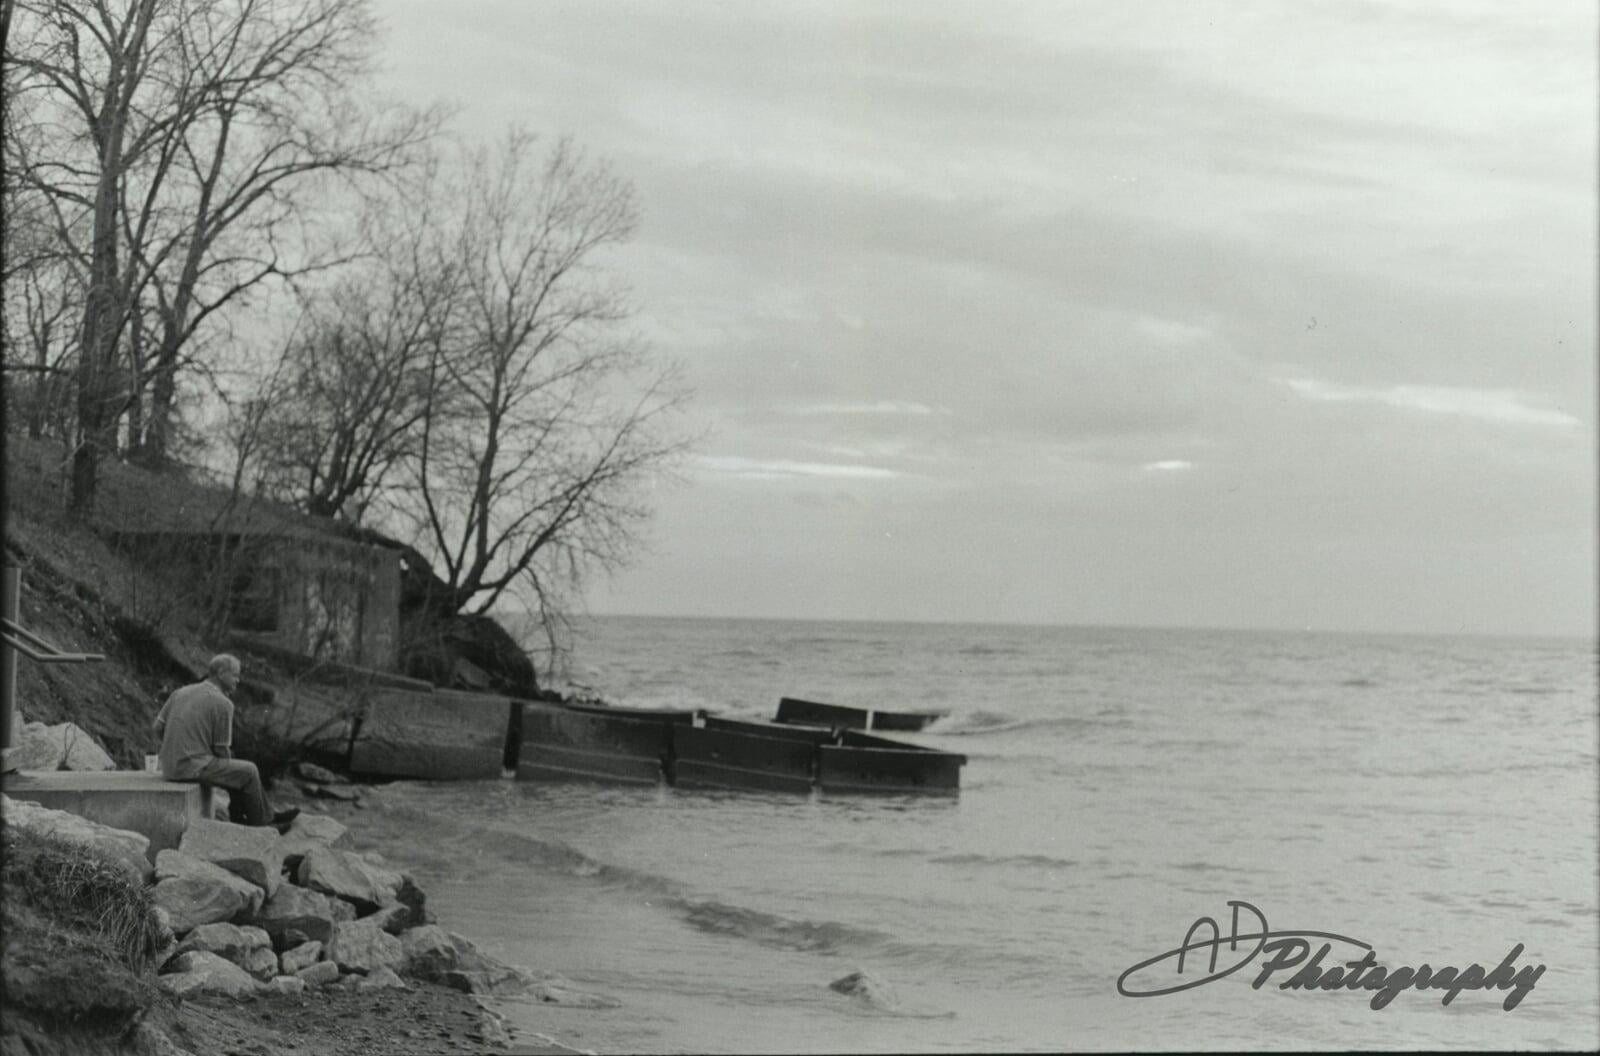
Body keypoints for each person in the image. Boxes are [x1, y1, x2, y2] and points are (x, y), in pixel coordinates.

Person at [153, 654, 296, 830]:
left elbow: (157, 728)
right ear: (220, 673)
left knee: (236, 772)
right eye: (235, 675)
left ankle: (261, 815)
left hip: (168, 766)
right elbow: (221, 750)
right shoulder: (223, 703)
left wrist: (176, 744)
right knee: (249, 771)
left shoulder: (180, 692)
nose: (238, 680)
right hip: (191, 767)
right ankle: (263, 824)